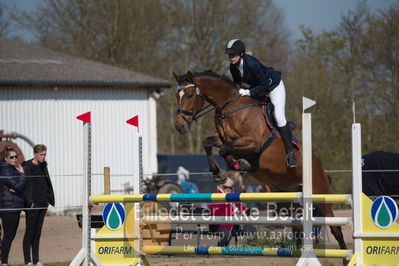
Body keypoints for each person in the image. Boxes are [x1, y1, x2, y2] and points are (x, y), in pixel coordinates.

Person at [225, 39, 297, 168]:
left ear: (241, 54)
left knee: (279, 117)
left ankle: (290, 154)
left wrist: (248, 92)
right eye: (229, 55)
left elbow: (264, 85)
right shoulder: (233, 67)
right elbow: (237, 85)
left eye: (233, 54)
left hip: (273, 86)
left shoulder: (252, 64)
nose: (230, 57)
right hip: (259, 88)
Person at [22, 144, 55, 266]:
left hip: (43, 203)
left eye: (45, 154)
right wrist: (29, 201)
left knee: (38, 232)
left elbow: (47, 181)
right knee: (29, 232)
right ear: (35, 154)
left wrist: (48, 198)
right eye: (41, 155)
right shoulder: (27, 166)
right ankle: (27, 261)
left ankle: (36, 260)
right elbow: (24, 187)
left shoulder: (43, 165)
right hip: (32, 205)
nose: (43, 157)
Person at [0, 147, 27, 266]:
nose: (15, 159)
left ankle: (4, 261)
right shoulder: (6, 170)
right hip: (9, 207)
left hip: (12, 206)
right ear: (5, 159)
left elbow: (17, 188)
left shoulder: (11, 169)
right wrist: (22, 175)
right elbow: (19, 187)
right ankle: (4, 263)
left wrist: (16, 187)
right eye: (12, 157)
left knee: (9, 236)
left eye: (16, 156)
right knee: (8, 236)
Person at [208, 178, 246, 246]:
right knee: (226, 232)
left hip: (233, 224)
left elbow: (241, 208)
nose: (228, 189)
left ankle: (252, 249)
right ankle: (218, 251)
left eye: (230, 188)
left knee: (250, 228)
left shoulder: (233, 195)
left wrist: (245, 214)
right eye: (226, 187)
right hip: (219, 225)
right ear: (221, 187)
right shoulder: (217, 196)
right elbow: (216, 214)